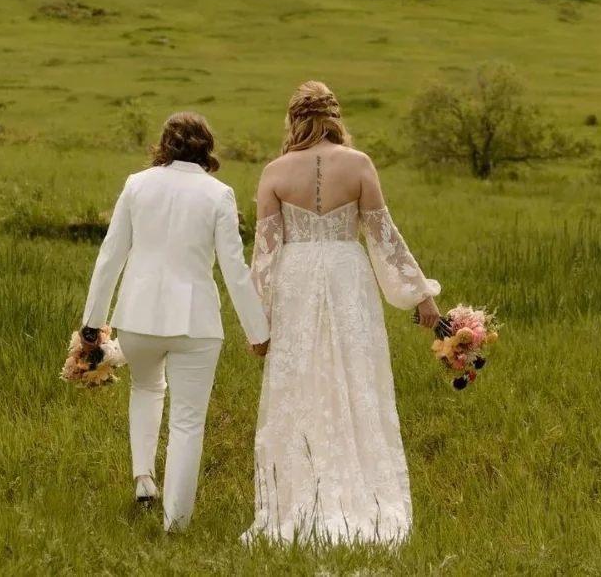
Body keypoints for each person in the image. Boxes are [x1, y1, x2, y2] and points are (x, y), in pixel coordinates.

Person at [245, 81, 441, 545]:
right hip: (347, 277)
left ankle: (301, 498)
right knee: (355, 381)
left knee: (300, 384)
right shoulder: (359, 165)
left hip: (296, 283)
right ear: (335, 118)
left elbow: (265, 257)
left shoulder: (274, 172)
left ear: (293, 119)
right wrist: (420, 296)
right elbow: (382, 237)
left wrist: (258, 324)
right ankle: (362, 495)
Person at [80, 111, 270, 532]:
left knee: (146, 388)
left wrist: (92, 323)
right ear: (208, 149)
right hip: (196, 323)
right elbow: (234, 270)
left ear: (163, 146)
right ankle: (176, 523)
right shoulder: (219, 194)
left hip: (138, 317)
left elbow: (111, 255)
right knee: (188, 422)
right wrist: (259, 332)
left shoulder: (137, 184)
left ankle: (144, 478)